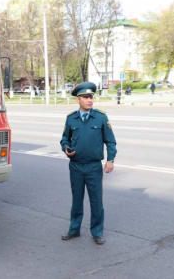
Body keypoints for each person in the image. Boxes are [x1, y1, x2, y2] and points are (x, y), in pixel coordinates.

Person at [60, 82, 117, 245]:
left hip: (93, 167)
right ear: (78, 99)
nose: (89, 100)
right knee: (76, 200)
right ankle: (74, 230)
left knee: (96, 201)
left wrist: (110, 160)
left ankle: (97, 232)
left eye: (91, 96)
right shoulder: (71, 118)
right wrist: (66, 148)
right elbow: (64, 138)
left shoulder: (100, 117)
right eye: (85, 97)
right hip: (76, 166)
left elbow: (110, 141)